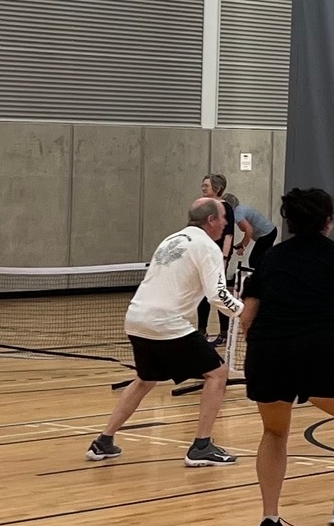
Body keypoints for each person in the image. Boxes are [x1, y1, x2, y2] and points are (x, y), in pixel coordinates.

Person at [239, 188, 334, 526]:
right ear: (328, 221)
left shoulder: (271, 259)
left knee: (274, 432)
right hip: (318, 352)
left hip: (268, 352)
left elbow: (247, 316)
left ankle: (270, 520)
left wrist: (261, 350)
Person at [86, 198, 243, 466]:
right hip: (166, 322)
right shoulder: (208, 247)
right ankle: (202, 446)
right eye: (224, 219)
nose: (227, 224)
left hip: (136, 318)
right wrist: (244, 311)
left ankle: (103, 441)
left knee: (145, 379)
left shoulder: (171, 239)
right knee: (217, 373)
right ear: (211, 221)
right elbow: (217, 295)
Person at [196, 174, 235, 346]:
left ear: (217, 188)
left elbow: (228, 235)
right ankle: (201, 331)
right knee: (202, 294)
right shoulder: (201, 207)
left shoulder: (226, 208)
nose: (203, 188)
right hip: (202, 255)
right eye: (202, 185)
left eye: (207, 186)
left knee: (219, 293)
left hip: (218, 256)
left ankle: (224, 333)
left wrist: (224, 258)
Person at [223, 192, 279, 269]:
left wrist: (243, 247)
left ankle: (257, 279)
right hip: (270, 231)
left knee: (254, 260)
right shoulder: (240, 208)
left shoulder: (237, 214)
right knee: (264, 259)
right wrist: (241, 243)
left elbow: (249, 230)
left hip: (267, 234)